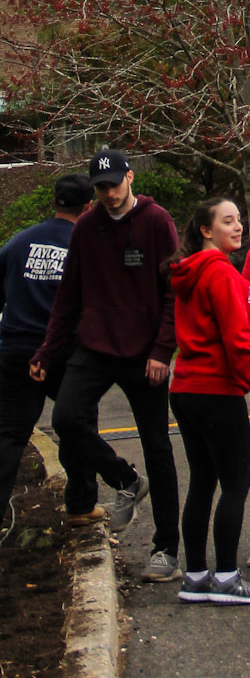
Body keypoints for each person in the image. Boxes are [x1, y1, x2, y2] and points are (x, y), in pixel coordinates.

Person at [29, 148, 182, 580]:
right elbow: (68, 297)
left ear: (130, 178)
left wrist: (161, 351)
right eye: (100, 188)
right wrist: (46, 351)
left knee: (158, 446)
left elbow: (173, 291)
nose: (109, 194)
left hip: (143, 353)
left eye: (114, 184)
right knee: (66, 417)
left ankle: (166, 549)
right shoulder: (86, 228)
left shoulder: (156, 222)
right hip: (95, 346)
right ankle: (125, 479)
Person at [168, 197, 250, 605]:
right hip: (214, 390)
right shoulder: (218, 273)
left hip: (186, 389)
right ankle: (225, 578)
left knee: (203, 481)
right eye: (227, 221)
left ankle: (196, 575)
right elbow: (237, 341)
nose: (238, 226)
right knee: (235, 483)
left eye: (239, 219)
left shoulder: (195, 271)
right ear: (206, 230)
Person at [0, 174, 129, 532]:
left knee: (10, 435)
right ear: (89, 206)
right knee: (78, 423)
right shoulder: (86, 245)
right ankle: (80, 505)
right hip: (66, 352)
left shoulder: (17, 243)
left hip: (16, 350)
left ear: (53, 204)